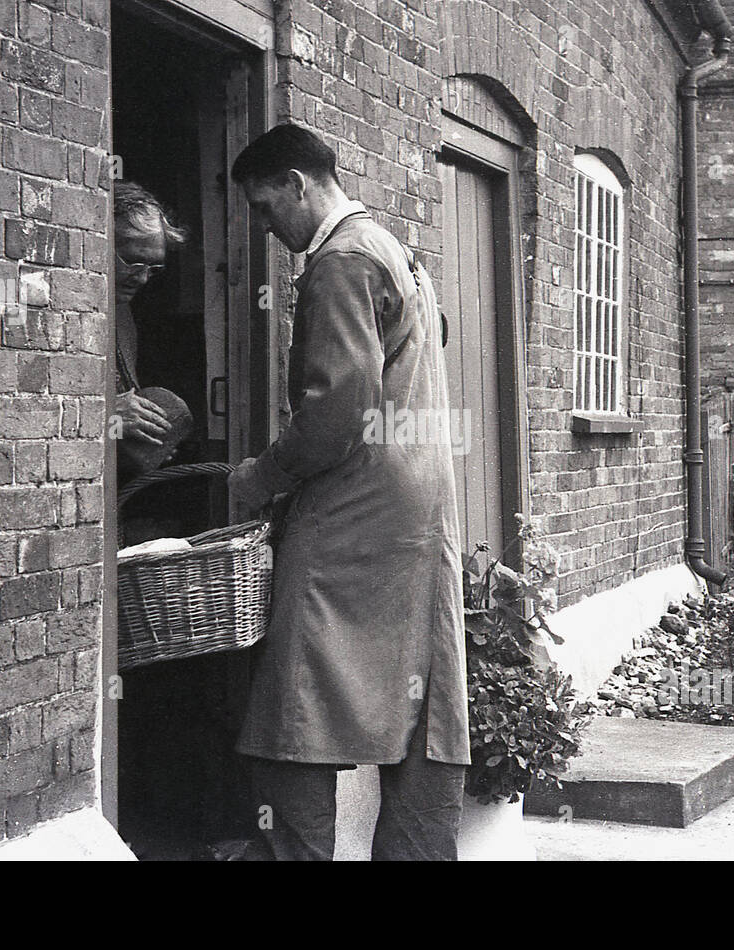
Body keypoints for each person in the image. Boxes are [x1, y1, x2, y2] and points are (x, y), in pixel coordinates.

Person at [227, 124, 470, 860]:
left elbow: (336, 416)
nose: (269, 230)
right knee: (426, 713)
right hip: (419, 510)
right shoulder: (393, 251)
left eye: (268, 209)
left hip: (353, 516)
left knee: (290, 717)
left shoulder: (338, 262)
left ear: (298, 185)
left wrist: (259, 477)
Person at [112, 182, 190, 466]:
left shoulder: (124, 314)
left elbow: (121, 417)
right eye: (132, 261)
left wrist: (143, 438)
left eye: (153, 268)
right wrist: (106, 415)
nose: (143, 278)